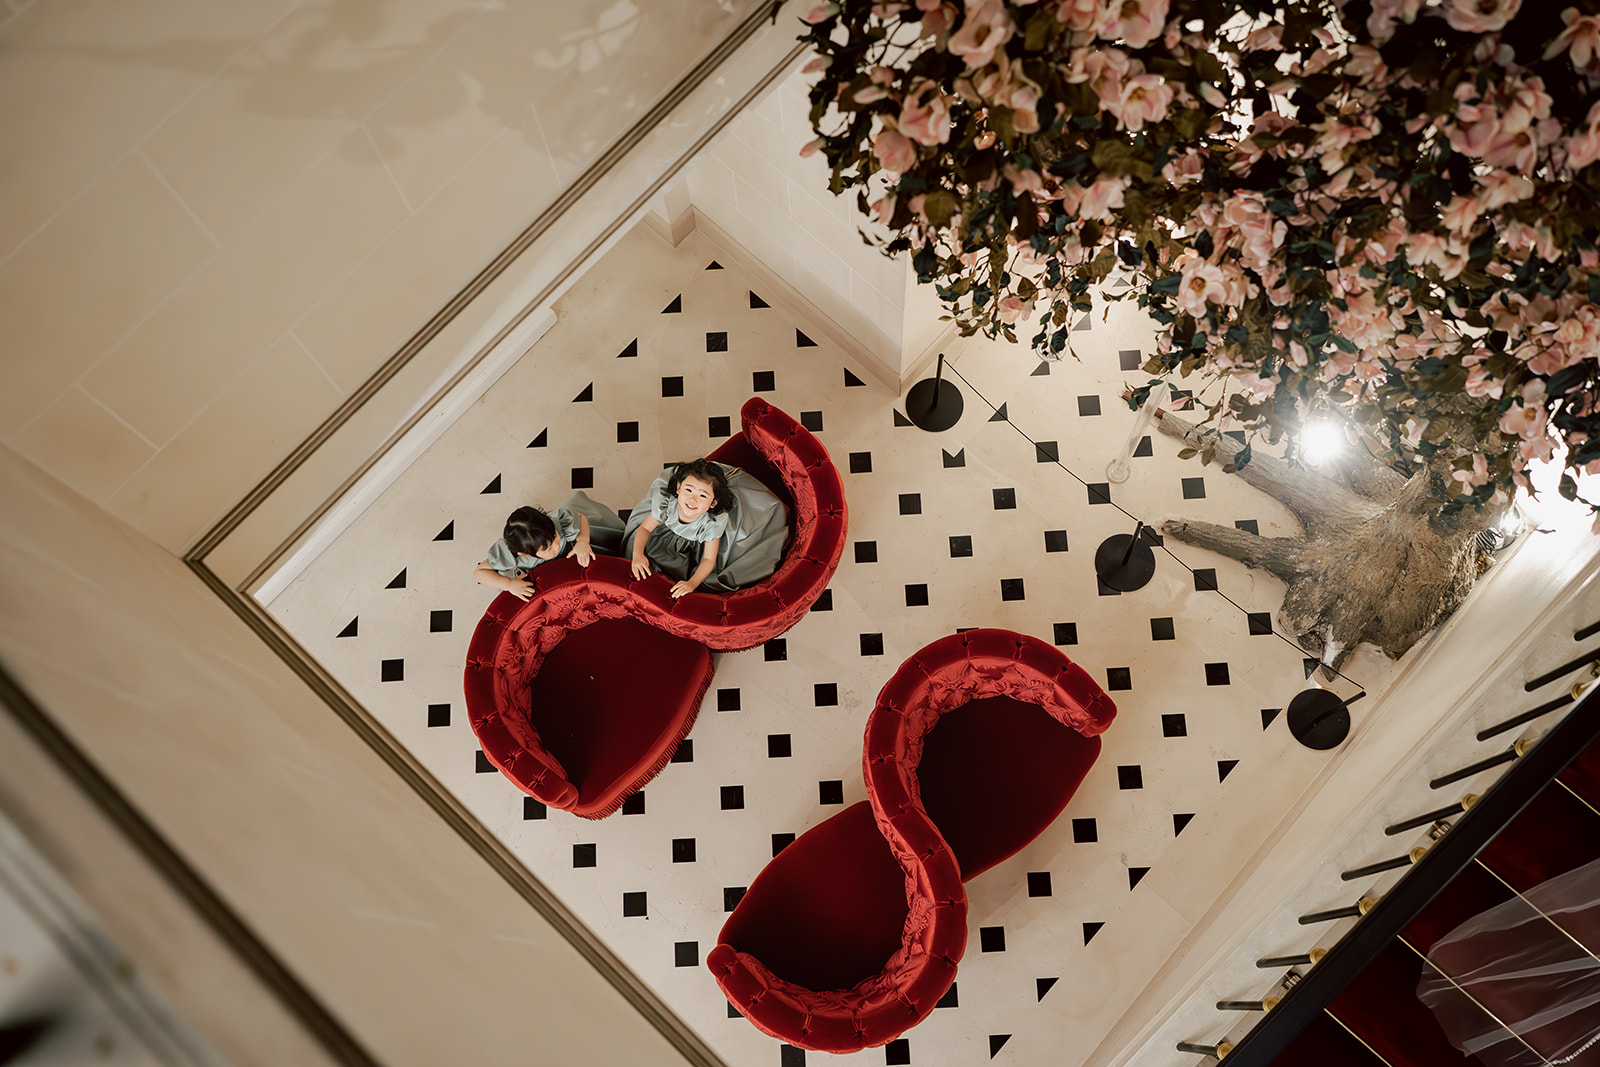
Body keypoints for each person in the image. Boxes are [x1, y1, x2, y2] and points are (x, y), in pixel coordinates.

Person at [622, 458, 790, 597]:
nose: (693, 500)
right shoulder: (667, 505)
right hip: (662, 538)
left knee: (679, 575)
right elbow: (644, 529)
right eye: (689, 490)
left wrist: (692, 583)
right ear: (679, 489)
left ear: (712, 503)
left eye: (703, 495)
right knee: (641, 557)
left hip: (688, 551)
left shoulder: (710, 525)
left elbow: (709, 559)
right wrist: (637, 554)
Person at [473, 492, 625, 600]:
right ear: (525, 554)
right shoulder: (510, 555)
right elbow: (480, 572)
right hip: (542, 578)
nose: (556, 546)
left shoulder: (557, 523)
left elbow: (581, 517)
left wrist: (582, 542)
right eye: (547, 548)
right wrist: (509, 584)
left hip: (570, 554)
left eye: (554, 537)